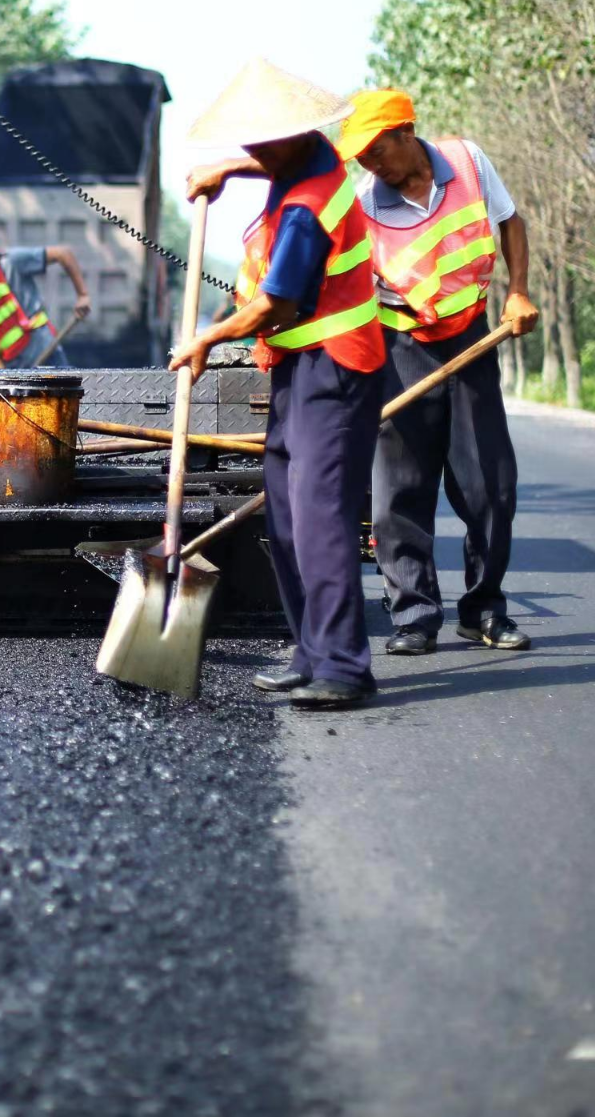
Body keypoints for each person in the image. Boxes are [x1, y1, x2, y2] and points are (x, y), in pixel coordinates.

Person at [172, 60, 386, 710]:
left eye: (260, 139)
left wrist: (206, 340)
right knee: (287, 516)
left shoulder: (306, 212)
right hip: (299, 369)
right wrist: (227, 171)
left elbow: (275, 308)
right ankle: (310, 651)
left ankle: (344, 666)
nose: (253, 148)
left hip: (337, 366)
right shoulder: (308, 157)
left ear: (292, 133)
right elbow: (274, 166)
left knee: (320, 519)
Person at [336, 89, 540, 655]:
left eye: (376, 152)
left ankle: (483, 611)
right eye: (361, 158)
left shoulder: (470, 163)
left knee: (490, 487)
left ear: (407, 132)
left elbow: (511, 222)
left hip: (473, 339)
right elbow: (348, 285)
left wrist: (517, 293)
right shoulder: (364, 204)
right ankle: (415, 618)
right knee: (399, 492)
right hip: (400, 346)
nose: (369, 166)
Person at [0, 244, 92, 368]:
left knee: (64, 385)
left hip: (45, 352)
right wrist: (5, 381)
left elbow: (62, 253)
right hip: (15, 372)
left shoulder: (8, 263)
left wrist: (83, 295)